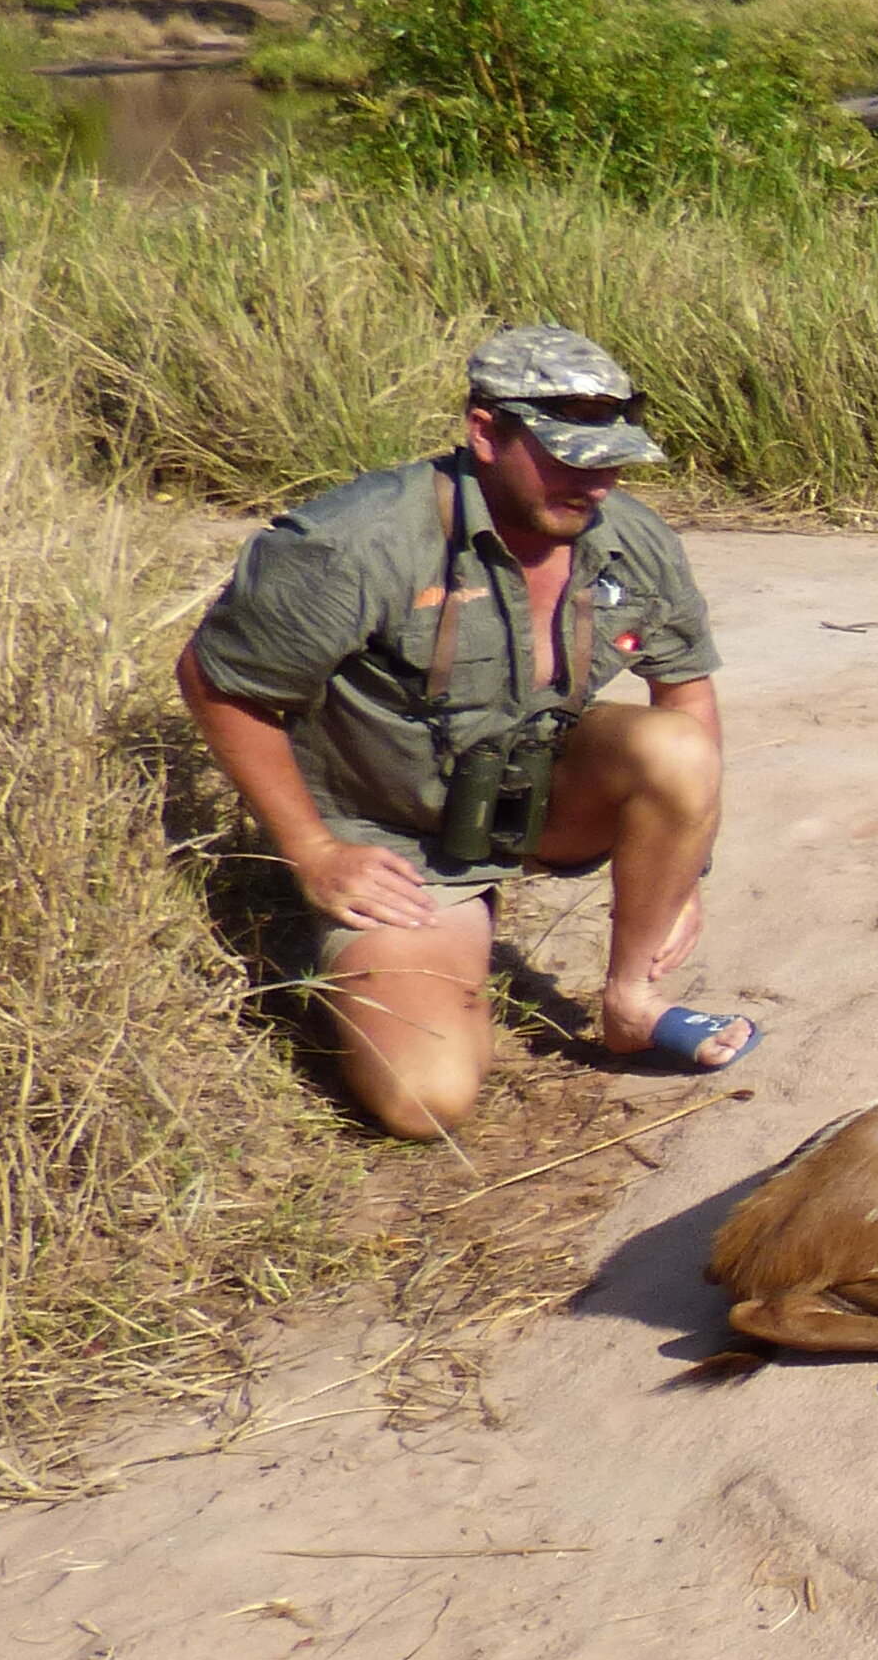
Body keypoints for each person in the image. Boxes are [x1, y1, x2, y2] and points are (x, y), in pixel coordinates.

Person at [178, 328, 754, 1140]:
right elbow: (216, 681)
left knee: (677, 751)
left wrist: (682, 865)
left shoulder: (631, 537)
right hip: (403, 849)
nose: (593, 484)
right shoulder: (353, 545)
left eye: (610, 460)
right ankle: (371, 953)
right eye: (565, 459)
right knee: (428, 1099)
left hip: (539, 799)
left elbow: (686, 692)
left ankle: (630, 1003)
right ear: (486, 432)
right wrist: (312, 851)